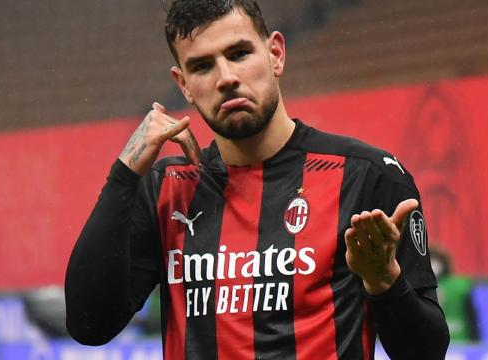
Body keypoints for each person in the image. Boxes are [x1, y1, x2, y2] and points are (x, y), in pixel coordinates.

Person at [64, 0, 450, 358]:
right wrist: (125, 174)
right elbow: (89, 326)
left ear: (276, 54)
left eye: (239, 53)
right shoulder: (167, 187)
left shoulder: (368, 175)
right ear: (184, 85)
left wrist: (385, 283)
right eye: (202, 66)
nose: (226, 77)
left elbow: (426, 353)